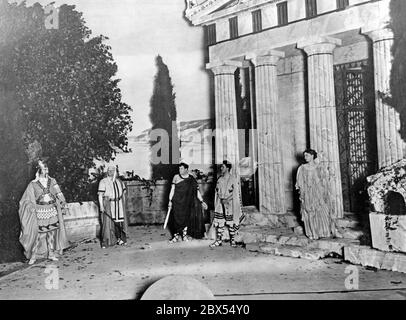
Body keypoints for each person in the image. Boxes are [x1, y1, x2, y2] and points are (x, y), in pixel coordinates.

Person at [19, 159, 69, 265]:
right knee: (40, 234)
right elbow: (26, 199)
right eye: (43, 168)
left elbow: (59, 194)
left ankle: (51, 253)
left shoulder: (53, 181)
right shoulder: (33, 184)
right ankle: (33, 256)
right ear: (39, 170)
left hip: (52, 209)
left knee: (51, 232)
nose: (46, 170)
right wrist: (31, 207)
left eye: (46, 168)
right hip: (41, 211)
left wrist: (63, 203)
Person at [295, 149, 341, 240]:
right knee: (310, 213)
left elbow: (323, 180)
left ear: (312, 156)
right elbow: (300, 183)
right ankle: (312, 233)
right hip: (307, 193)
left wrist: (325, 192)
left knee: (323, 211)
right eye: (304, 155)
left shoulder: (319, 167)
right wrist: (302, 194)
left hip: (318, 193)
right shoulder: (302, 168)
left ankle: (323, 231)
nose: (305, 157)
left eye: (307, 155)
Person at [168, 162, 208, 242]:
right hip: (177, 201)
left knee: (186, 219)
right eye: (179, 168)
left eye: (182, 168)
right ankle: (175, 236)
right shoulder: (176, 177)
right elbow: (172, 189)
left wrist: (202, 201)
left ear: (186, 169)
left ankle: (184, 235)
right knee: (176, 219)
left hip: (186, 202)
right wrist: (170, 201)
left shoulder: (191, 179)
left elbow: (196, 192)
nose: (180, 170)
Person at [210, 160, 242, 248]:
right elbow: (217, 191)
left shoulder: (233, 179)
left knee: (231, 222)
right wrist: (221, 199)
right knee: (220, 222)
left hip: (230, 204)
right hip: (220, 203)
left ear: (227, 168)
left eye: (223, 167)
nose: (221, 168)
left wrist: (227, 199)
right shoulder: (219, 179)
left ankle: (232, 240)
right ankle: (218, 240)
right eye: (221, 167)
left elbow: (235, 194)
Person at [98, 165, 129, 248]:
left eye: (112, 170)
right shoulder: (103, 181)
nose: (110, 171)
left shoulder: (119, 182)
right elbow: (100, 195)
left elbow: (123, 194)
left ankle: (120, 239)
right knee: (108, 223)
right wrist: (101, 206)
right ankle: (106, 242)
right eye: (109, 170)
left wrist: (123, 205)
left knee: (119, 222)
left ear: (115, 171)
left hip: (119, 205)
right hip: (109, 204)